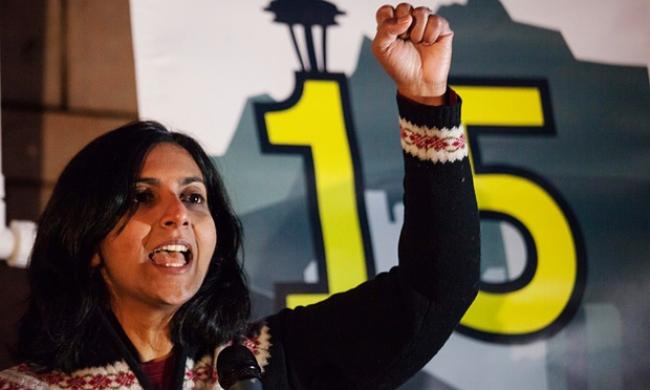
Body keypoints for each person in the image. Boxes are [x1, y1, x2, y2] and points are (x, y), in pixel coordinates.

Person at [0, 4, 479, 389]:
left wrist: (425, 100)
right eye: (141, 198)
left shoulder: (268, 359)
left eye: (194, 197)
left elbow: (434, 289)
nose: (176, 216)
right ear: (88, 245)